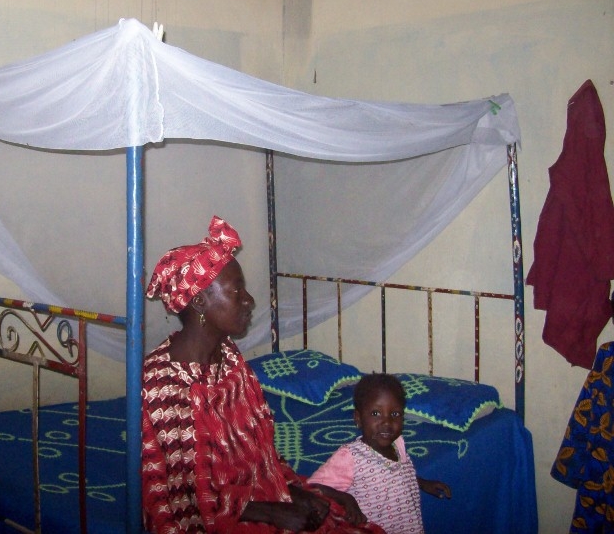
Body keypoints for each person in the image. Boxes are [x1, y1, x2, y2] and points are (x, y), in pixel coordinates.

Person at [141, 216, 378, 534]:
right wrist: (270, 512)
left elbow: (257, 456)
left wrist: (292, 492)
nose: (249, 301)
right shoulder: (162, 383)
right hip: (210, 519)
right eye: (236, 291)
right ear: (199, 301)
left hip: (255, 498)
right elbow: (181, 496)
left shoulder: (228, 358)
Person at [308, 373, 452, 534]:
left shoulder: (398, 444)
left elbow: (397, 474)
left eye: (395, 414)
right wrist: (346, 499)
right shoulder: (350, 456)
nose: (387, 422)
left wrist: (422, 483)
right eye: (376, 413)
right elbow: (312, 486)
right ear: (358, 418)